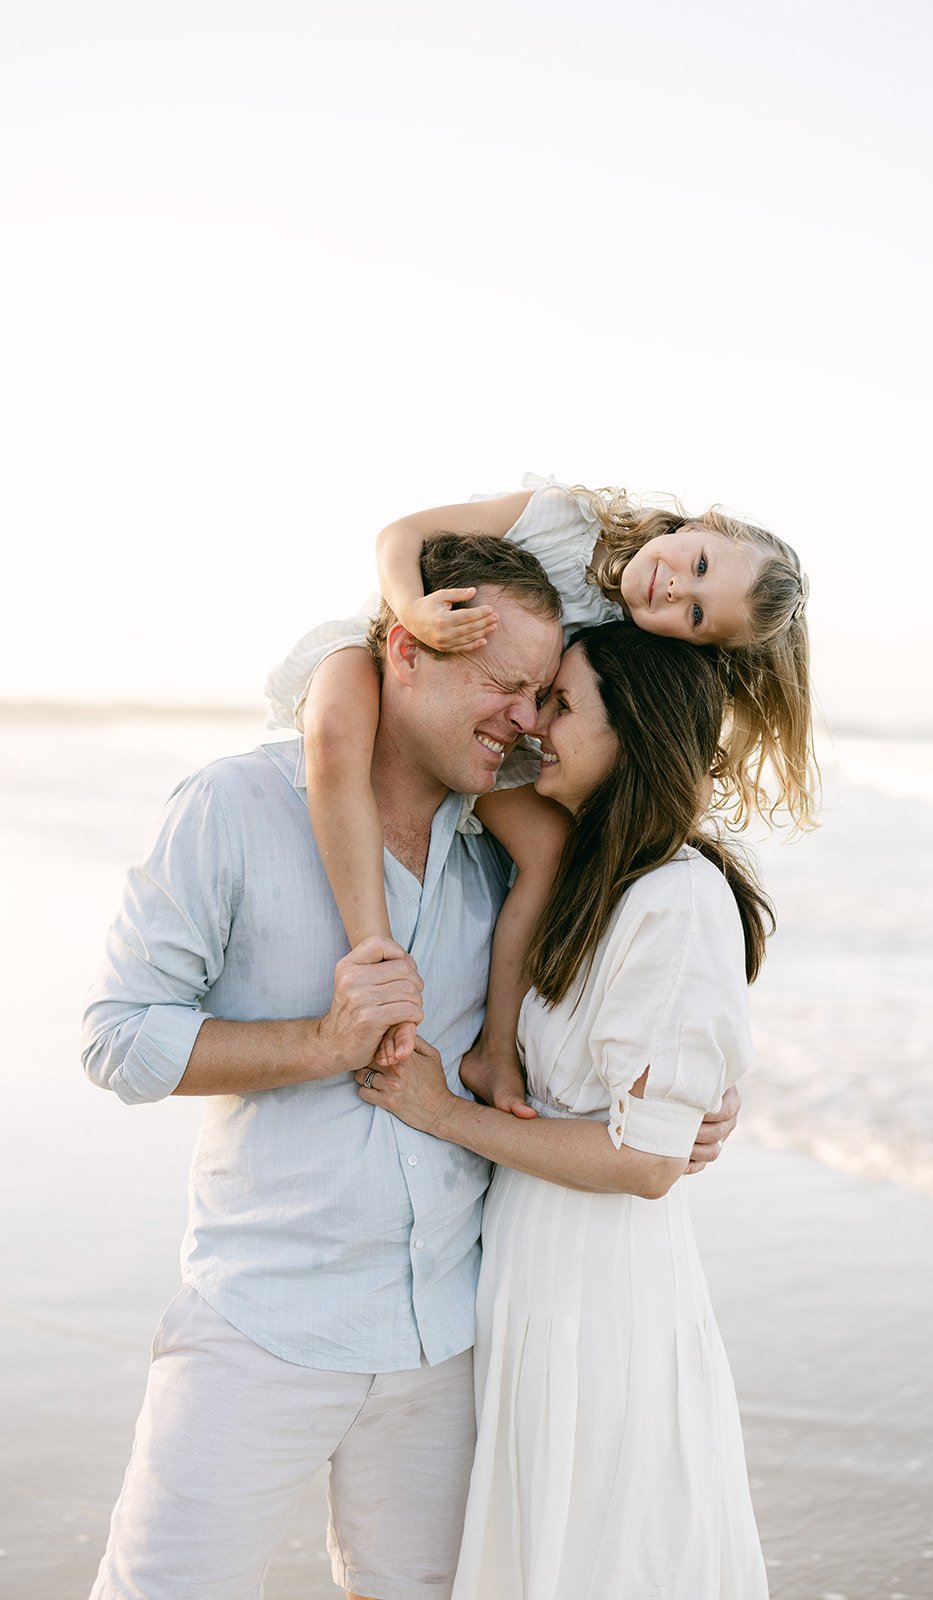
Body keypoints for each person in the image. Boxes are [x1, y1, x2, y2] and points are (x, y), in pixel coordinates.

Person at [81, 536, 737, 1600]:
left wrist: (694, 1103)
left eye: (540, 695)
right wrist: (322, 1043)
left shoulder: (512, 844)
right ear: (407, 649)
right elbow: (117, 1036)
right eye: (502, 684)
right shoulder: (234, 808)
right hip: (262, 1324)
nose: (524, 719)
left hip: (451, 1335)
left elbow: (624, 1019)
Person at [358, 620, 774, 1599]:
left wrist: (443, 1112)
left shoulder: (678, 898)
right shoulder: (586, 869)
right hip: (533, 1279)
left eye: (559, 703)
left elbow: (642, 1163)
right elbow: (462, 755)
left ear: (629, 733)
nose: (534, 723)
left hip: (603, 1302)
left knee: (601, 1551)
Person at [265, 472, 814, 1073]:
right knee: (338, 732)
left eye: (698, 613)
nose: (676, 589)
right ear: (704, 524)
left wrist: (701, 1085)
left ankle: (496, 1050)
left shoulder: (630, 633)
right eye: (702, 564)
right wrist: (412, 610)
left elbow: (665, 733)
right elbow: (402, 534)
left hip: (495, 719)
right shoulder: (566, 520)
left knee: (548, 850)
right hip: (396, 641)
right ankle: (376, 959)